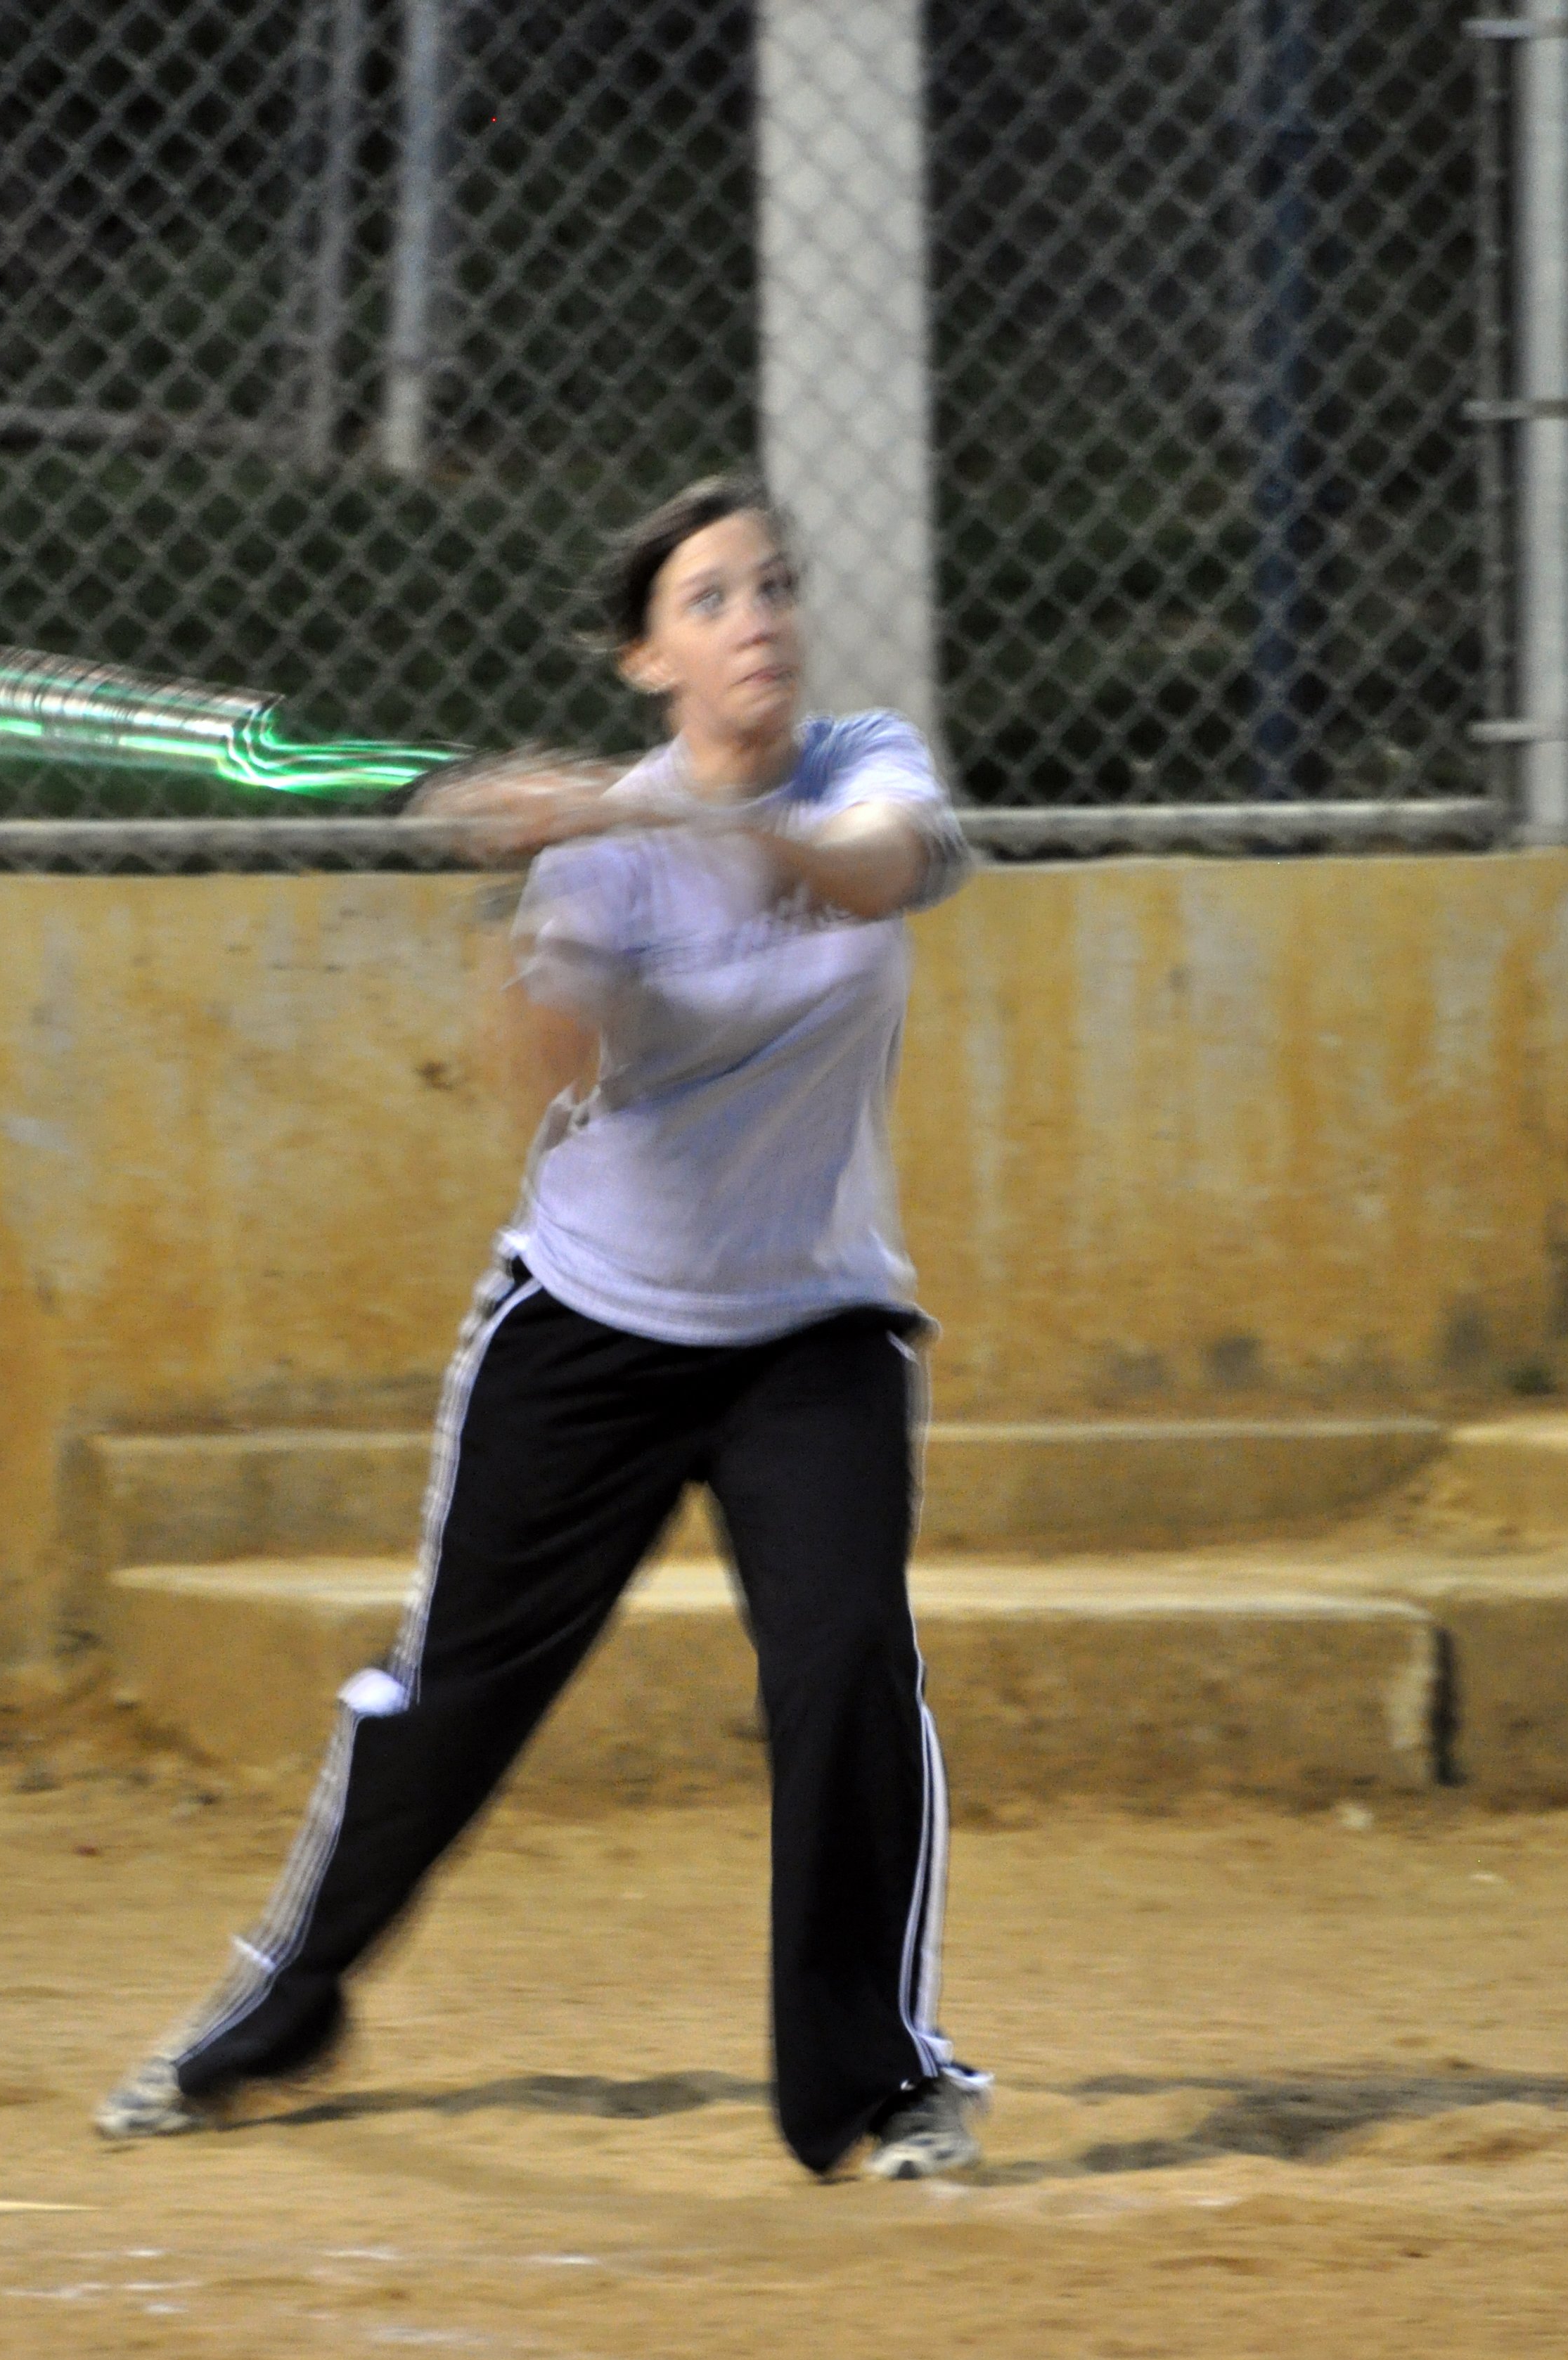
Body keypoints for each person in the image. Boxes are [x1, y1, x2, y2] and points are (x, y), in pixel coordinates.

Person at [95, 473, 991, 2179]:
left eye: (772, 586)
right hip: (590, 1321)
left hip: (815, 1323)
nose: (758, 620)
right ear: (649, 659)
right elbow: (548, 1071)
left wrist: (681, 831)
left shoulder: (864, 765)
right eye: (710, 600)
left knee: (847, 1673)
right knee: (451, 1694)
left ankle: (878, 2080)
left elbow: (875, 879)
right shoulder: (599, 852)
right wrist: (538, 901)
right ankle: (278, 2004)